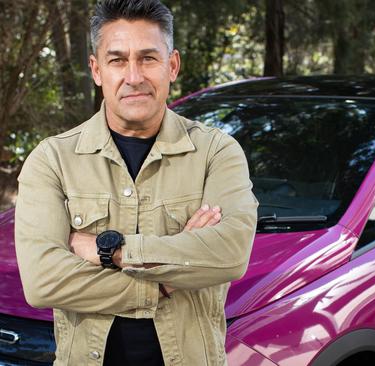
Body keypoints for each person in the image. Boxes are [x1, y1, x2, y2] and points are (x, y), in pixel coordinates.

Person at [13, 0, 258, 365]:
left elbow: (230, 253)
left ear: (171, 65)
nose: (134, 76)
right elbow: (43, 281)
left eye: (148, 58)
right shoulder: (53, 160)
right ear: (96, 70)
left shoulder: (215, 153)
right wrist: (163, 281)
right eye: (117, 60)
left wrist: (107, 250)